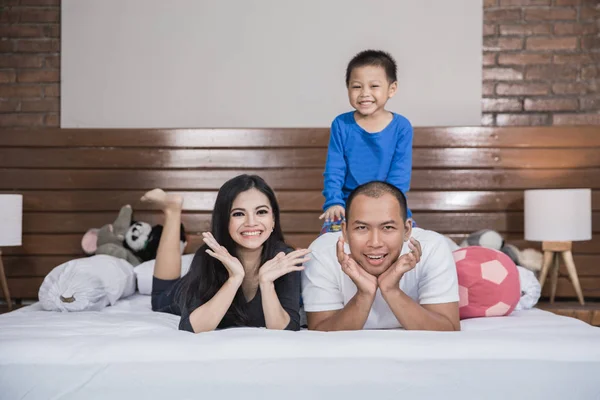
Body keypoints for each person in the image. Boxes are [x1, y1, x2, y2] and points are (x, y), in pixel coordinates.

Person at [144, 174, 310, 333]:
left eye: (261, 212)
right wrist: (234, 279)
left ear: (273, 219)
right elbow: (190, 327)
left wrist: (266, 283)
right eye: (238, 214)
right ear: (224, 221)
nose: (251, 222)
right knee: (158, 298)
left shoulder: (284, 259)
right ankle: (173, 210)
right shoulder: (209, 255)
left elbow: (287, 330)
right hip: (176, 295)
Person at [303, 181, 459, 331]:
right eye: (362, 227)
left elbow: (448, 327)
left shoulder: (432, 247)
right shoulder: (322, 252)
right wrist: (363, 295)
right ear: (345, 231)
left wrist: (392, 290)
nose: (375, 243)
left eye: (388, 227)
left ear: (406, 230)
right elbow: (319, 331)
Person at [320, 50, 414, 234]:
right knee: (326, 248)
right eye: (356, 87)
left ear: (391, 89)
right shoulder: (341, 124)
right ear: (347, 88)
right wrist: (334, 202)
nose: (364, 93)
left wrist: (385, 208)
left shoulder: (401, 127)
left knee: (415, 245)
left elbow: (399, 177)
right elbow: (334, 170)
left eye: (374, 86)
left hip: (389, 208)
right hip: (348, 208)